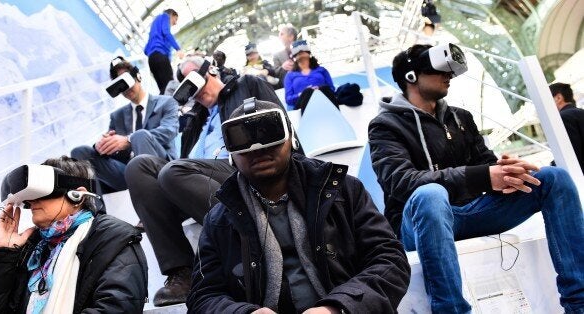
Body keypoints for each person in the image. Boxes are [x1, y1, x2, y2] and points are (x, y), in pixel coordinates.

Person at [368, 44, 584, 313]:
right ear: (411, 76)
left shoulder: (460, 117)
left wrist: (505, 172)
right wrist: (482, 176)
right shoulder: (385, 126)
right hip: (421, 223)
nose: (448, 75)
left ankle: (579, 304)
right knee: (430, 195)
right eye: (438, 69)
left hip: (470, 212)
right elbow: (401, 183)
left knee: (554, 178)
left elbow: (484, 163)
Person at [187, 99, 411, 313]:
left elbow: (390, 260)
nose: (257, 147)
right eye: (242, 138)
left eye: (269, 132)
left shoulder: (343, 191)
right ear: (231, 154)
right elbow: (202, 295)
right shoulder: (219, 220)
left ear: (291, 137)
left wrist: (339, 307)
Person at [123, 56, 285, 307]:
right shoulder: (195, 121)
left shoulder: (246, 86)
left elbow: (280, 131)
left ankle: (253, 232)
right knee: (140, 167)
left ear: (210, 70)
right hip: (200, 181)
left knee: (172, 172)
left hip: (245, 173)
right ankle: (183, 272)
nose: (193, 91)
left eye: (191, 79)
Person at [0, 156, 148, 313]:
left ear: (78, 195)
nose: (32, 201)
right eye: (29, 197)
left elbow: (117, 309)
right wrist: (1, 254)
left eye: (42, 192)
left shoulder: (113, 240)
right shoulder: (30, 250)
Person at [70, 57, 179, 193]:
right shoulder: (117, 116)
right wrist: (102, 146)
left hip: (161, 167)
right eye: (119, 85)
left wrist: (129, 139)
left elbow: (169, 131)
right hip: (127, 172)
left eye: (126, 81)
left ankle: (156, 196)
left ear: (138, 77)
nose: (125, 89)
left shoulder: (166, 102)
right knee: (79, 152)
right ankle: (96, 209)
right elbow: (114, 151)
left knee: (140, 136)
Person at [284, 40, 338, 111]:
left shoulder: (322, 70)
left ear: (309, 53)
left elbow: (331, 89)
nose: (300, 51)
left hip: (324, 102)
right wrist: (303, 94)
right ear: (294, 56)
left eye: (303, 50)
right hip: (303, 108)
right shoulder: (290, 75)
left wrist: (319, 91)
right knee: (307, 92)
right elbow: (288, 99)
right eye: (297, 51)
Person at [144, 8, 186, 95]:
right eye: (175, 19)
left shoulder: (154, 27)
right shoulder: (164, 16)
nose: (175, 23)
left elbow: (145, 50)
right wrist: (178, 48)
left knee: (163, 89)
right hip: (160, 56)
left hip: (151, 60)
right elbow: (166, 32)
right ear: (171, 15)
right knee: (171, 87)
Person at [549, 82, 584, 173]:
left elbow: (570, 153)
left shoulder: (562, 117)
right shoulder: (580, 112)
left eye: (547, 99)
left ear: (558, 98)